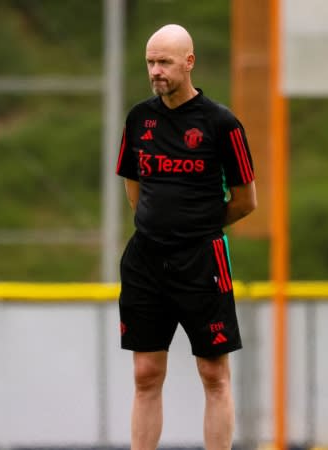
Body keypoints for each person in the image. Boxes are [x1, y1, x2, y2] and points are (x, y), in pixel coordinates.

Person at [115, 23, 257, 450]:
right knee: (145, 374)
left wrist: (196, 226)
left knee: (214, 374)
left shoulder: (221, 124)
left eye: (164, 62)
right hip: (145, 261)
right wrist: (157, 225)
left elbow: (246, 199)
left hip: (201, 261)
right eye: (150, 63)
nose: (155, 71)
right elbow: (132, 184)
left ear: (189, 63)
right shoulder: (139, 118)